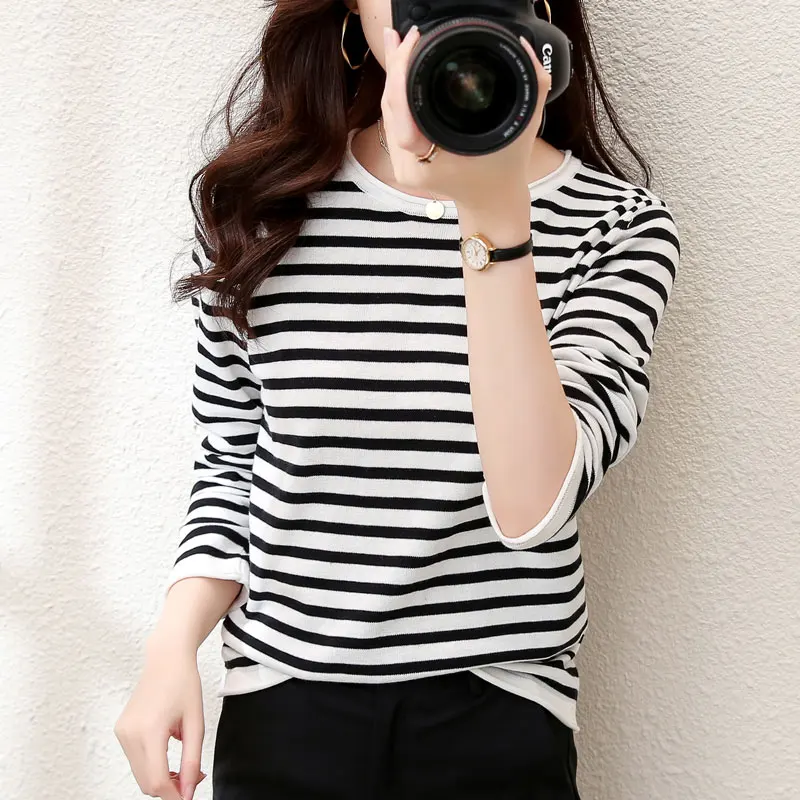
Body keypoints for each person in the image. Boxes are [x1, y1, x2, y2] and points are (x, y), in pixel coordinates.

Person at [114, 1, 681, 798]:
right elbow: (234, 456)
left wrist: (492, 212)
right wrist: (172, 646)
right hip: (283, 698)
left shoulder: (615, 228)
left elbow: (535, 505)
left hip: (498, 702)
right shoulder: (266, 204)